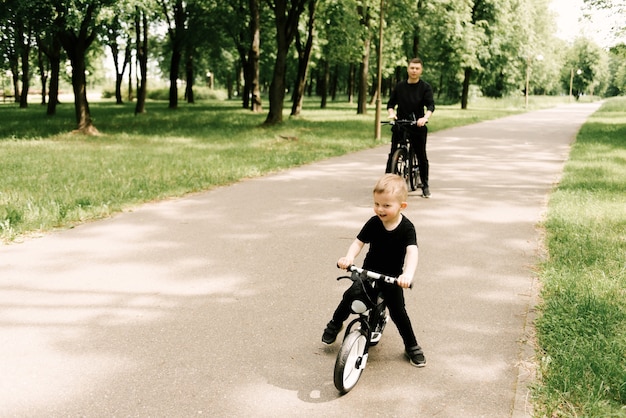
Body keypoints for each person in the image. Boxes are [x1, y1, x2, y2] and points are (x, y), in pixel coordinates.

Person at [322, 174, 426, 367]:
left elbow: (412, 252)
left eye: (386, 205)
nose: (380, 209)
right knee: (349, 296)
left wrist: (407, 275)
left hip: (392, 278)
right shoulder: (373, 223)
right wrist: (349, 258)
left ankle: (411, 345)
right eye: (377, 204)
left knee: (399, 313)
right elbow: (358, 242)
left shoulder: (407, 228)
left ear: (401, 206)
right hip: (368, 273)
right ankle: (335, 324)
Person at [386, 57, 435, 198]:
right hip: (401, 124)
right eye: (412, 68)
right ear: (408, 69)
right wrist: (391, 113)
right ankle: (387, 184)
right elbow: (390, 104)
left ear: (421, 70)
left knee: (421, 156)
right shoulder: (400, 86)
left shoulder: (425, 87)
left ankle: (425, 185)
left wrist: (424, 118)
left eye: (417, 68)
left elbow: (431, 105)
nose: (414, 71)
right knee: (392, 154)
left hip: (417, 125)